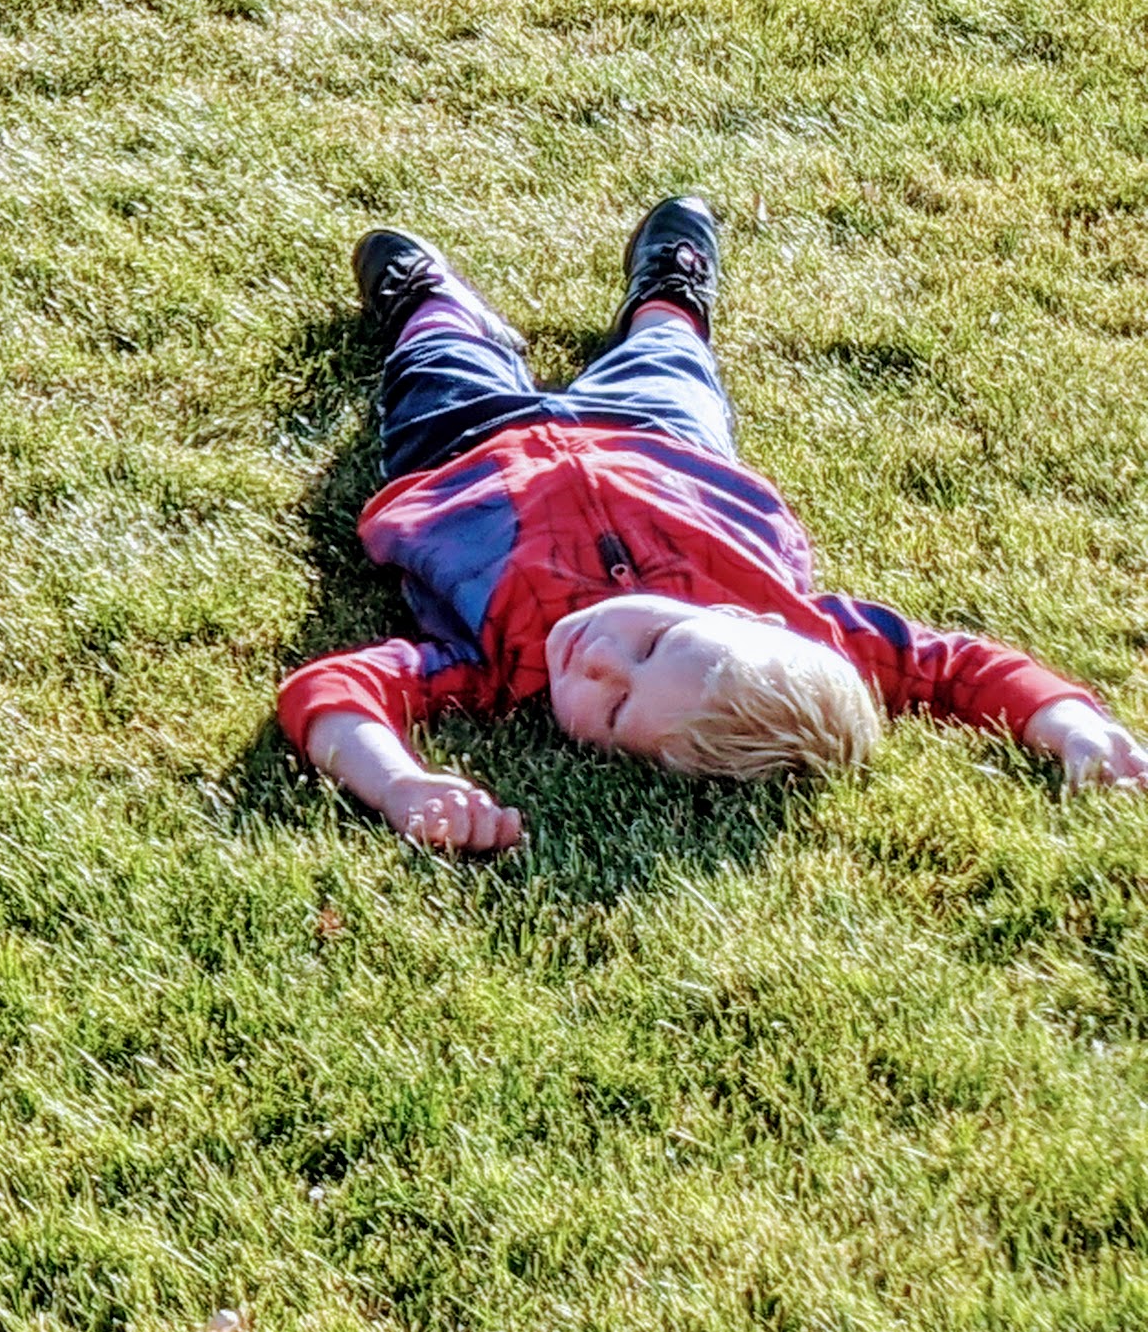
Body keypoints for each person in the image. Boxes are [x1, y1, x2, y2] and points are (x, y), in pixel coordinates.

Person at [282, 198, 1141, 852]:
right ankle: (668, 295)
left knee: (436, 360)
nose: (599, 660)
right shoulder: (804, 627)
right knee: (670, 355)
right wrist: (1072, 725)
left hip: (462, 456)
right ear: (741, 617)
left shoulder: (500, 662)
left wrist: (398, 783)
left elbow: (337, 688)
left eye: (615, 708)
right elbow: (954, 668)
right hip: (664, 440)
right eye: (654, 644)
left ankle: (429, 301)